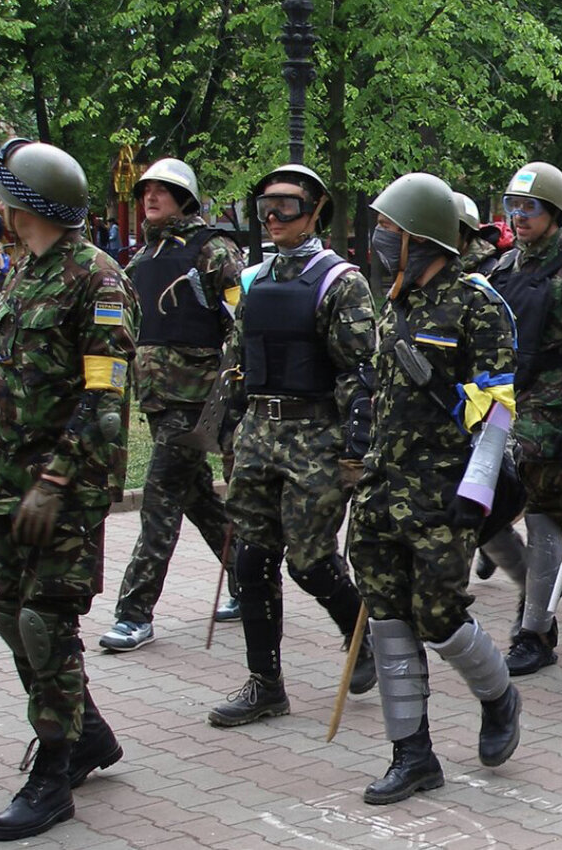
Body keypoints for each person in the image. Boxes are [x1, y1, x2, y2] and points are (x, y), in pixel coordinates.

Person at [0, 138, 138, 840]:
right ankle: (85, 735)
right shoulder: (21, 275)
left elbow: (105, 394)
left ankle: (54, 774)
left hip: (67, 487)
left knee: (44, 621)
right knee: (6, 613)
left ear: (27, 202)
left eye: (3, 194)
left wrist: (56, 480)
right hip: (11, 483)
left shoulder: (99, 279)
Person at [348, 172, 521, 804]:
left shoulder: (477, 304)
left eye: (390, 232)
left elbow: (496, 410)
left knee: (439, 614)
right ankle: (412, 753)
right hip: (380, 486)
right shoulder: (392, 301)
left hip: (441, 494)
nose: (378, 241)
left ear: (422, 239)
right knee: (389, 617)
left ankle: (499, 695)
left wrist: (472, 492)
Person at [207, 163, 376, 727]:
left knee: (309, 562)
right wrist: (226, 426)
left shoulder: (340, 281)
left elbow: (360, 371)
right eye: (265, 208)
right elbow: (236, 358)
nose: (273, 217)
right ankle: (265, 684)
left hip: (316, 439)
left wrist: (357, 450)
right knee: (251, 560)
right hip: (258, 432)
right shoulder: (253, 280)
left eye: (287, 206)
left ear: (315, 212)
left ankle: (363, 640)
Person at [99, 159, 244, 652]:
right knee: (200, 499)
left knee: (159, 505)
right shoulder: (140, 259)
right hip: (160, 400)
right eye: (146, 191)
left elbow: (243, 318)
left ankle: (134, 614)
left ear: (185, 198)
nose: (151, 198)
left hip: (197, 403)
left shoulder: (214, 250)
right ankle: (249, 580)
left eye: (163, 190)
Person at [486, 161, 562, 676]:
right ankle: (529, 591)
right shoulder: (502, 268)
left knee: (542, 518)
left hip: (555, 412)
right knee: (479, 512)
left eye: (529, 207)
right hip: (503, 406)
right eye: (513, 206)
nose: (518, 216)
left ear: (553, 213)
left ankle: (534, 630)